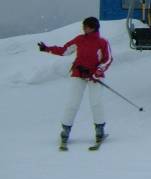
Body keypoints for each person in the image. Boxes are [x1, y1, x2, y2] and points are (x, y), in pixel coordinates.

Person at [39, 16, 113, 147]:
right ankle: (65, 130)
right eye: (84, 26)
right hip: (78, 74)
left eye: (86, 26)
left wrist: (99, 71)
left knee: (96, 102)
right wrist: (47, 48)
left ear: (93, 27)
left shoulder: (102, 42)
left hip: (94, 76)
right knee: (73, 103)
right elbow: (64, 50)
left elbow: (108, 59)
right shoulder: (79, 39)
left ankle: (99, 130)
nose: (84, 28)